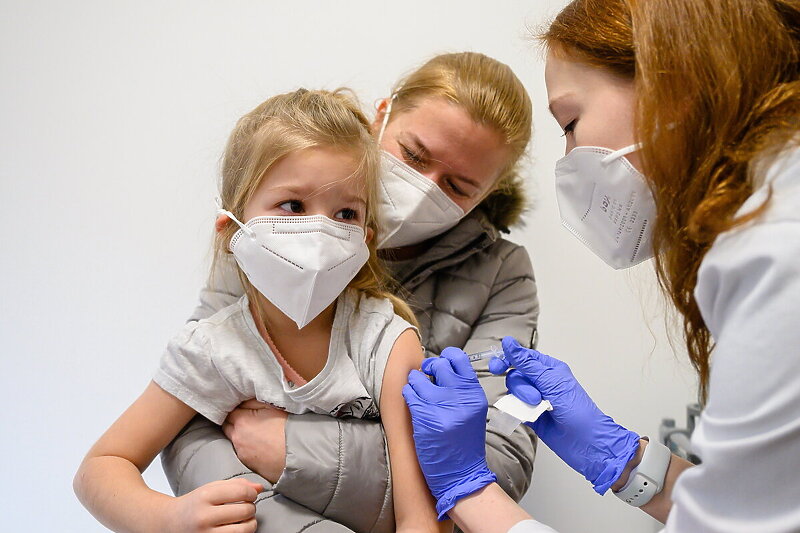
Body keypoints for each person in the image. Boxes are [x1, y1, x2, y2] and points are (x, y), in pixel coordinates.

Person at [402, 0, 800, 531]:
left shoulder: (776, 249)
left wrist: (466, 489)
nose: (570, 156)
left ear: (672, 81)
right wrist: (625, 461)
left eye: (569, 122)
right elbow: (758, 502)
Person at [161, 52, 540, 533]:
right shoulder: (271, 235)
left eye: (459, 186)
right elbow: (191, 421)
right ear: (383, 116)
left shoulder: (505, 275)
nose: (425, 190)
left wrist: (293, 451)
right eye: (415, 156)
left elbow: (494, 468)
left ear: (487, 194)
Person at [74, 88, 452, 533]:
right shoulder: (214, 348)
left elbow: (423, 519)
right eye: (292, 205)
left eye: (346, 213)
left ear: (366, 239)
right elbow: (100, 468)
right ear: (230, 228)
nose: (320, 230)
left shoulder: (386, 343)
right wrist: (170, 518)